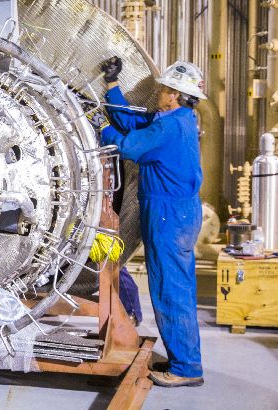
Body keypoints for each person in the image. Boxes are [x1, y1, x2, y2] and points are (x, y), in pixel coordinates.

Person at [88, 57, 206, 388]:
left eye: (164, 89)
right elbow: (132, 122)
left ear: (175, 95)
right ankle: (185, 358)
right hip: (177, 212)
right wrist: (112, 85)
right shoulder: (177, 119)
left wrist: (100, 128)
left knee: (171, 289)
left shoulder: (169, 127)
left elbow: (127, 145)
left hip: (168, 215)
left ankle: (186, 367)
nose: (159, 92)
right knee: (176, 287)